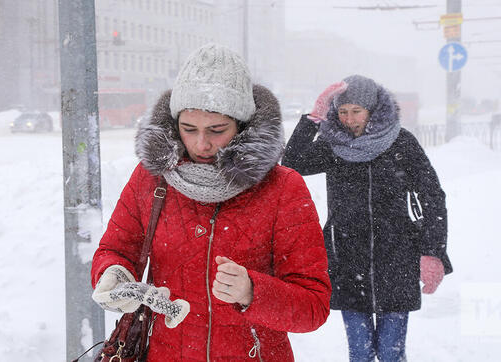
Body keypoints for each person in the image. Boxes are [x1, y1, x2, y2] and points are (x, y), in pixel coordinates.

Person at [91, 43, 331, 361]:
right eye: (188, 129)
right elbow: (115, 251)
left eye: (217, 130)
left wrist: (252, 292)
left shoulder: (283, 188)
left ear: (242, 125)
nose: (201, 143)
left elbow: (313, 306)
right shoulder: (151, 178)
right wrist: (113, 273)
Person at [282, 75, 452, 362]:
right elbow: (293, 164)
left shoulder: (400, 142)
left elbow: (432, 196)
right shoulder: (332, 145)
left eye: (356, 111)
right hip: (348, 258)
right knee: (359, 352)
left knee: (390, 352)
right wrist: (313, 118)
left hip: (396, 258)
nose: (349, 119)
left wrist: (433, 252)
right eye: (342, 112)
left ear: (372, 110)